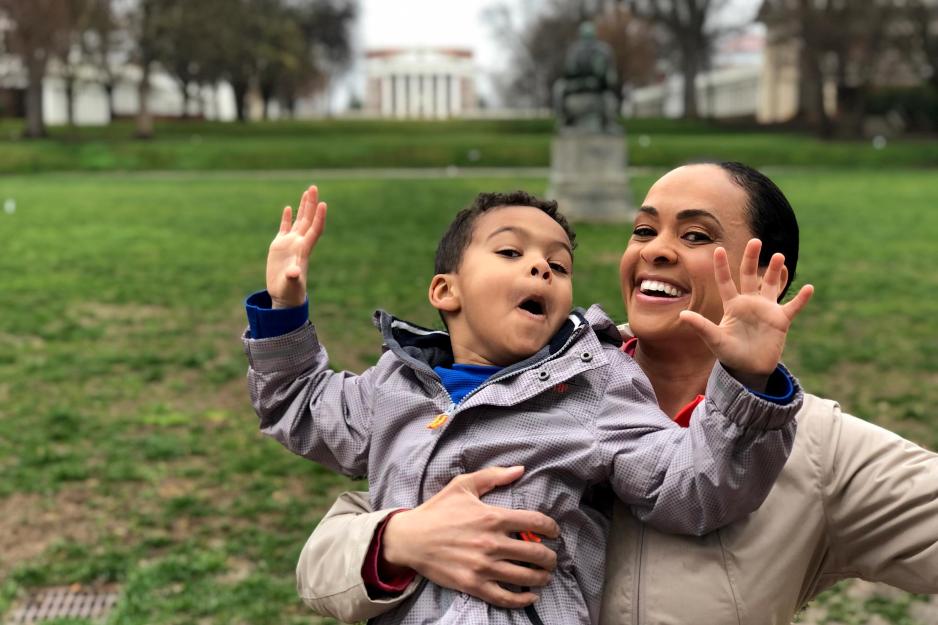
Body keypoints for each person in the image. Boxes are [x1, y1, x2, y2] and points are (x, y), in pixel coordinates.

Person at [294, 162, 938, 625]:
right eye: (643, 230)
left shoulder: (819, 450)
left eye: (695, 235)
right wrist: (398, 542)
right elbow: (320, 562)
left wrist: (749, 385)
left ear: (765, 273)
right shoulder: (513, 383)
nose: (656, 251)